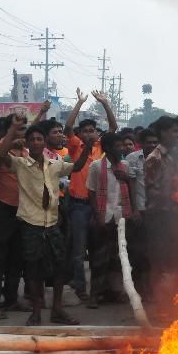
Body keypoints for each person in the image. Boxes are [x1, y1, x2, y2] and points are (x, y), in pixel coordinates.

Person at [0, 116, 94, 325]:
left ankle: (57, 309)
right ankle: (37, 311)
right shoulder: (21, 164)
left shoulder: (55, 164)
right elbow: (2, 154)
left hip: (52, 222)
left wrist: (89, 145)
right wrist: (13, 130)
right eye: (33, 139)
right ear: (27, 144)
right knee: (33, 269)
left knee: (60, 267)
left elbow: (76, 167)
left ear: (43, 142)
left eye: (40, 139)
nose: (37, 142)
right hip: (30, 223)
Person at [64, 89, 117, 301]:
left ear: (96, 133)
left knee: (97, 250)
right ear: (80, 133)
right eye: (85, 130)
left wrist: (105, 103)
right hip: (78, 205)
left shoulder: (100, 147)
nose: (88, 133)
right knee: (78, 251)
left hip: (99, 205)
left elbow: (113, 128)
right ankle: (81, 288)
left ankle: (97, 290)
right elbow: (68, 127)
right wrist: (79, 102)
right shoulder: (76, 146)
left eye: (92, 130)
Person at [0, 117, 30, 319]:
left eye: (24, 128)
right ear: (9, 129)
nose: (22, 132)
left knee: (17, 259)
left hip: (24, 210)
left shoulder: (27, 150)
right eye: (18, 128)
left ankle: (11, 299)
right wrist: (9, 140)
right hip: (2, 208)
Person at [86, 133, 134, 308]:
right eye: (117, 145)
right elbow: (91, 192)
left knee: (118, 258)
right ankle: (94, 294)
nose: (121, 148)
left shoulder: (126, 166)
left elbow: (130, 188)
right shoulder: (97, 166)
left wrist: (127, 179)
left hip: (121, 217)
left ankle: (114, 292)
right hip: (103, 216)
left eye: (123, 145)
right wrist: (98, 216)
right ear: (107, 148)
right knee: (99, 259)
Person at [144, 116, 178, 301]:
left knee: (172, 259)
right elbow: (150, 189)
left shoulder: (175, 156)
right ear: (163, 133)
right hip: (158, 215)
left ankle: (169, 300)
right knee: (158, 261)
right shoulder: (155, 158)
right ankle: (159, 301)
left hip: (173, 214)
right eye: (174, 131)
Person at [124, 128, 159, 297]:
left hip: (156, 211)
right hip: (139, 210)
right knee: (137, 251)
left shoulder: (162, 159)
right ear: (142, 143)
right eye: (149, 142)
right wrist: (134, 210)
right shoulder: (132, 158)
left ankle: (152, 289)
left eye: (155, 142)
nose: (152, 145)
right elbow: (130, 185)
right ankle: (138, 288)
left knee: (153, 252)